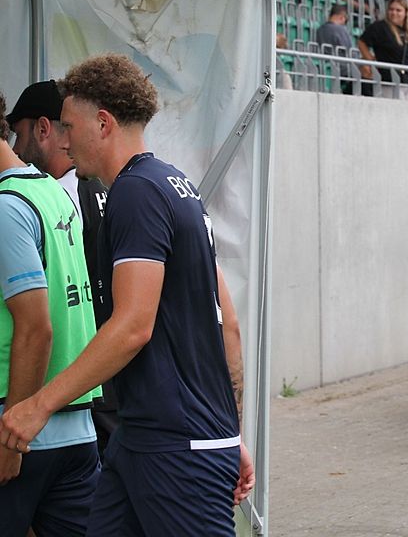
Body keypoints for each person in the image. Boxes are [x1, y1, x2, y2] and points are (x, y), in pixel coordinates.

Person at [0, 54, 256, 534]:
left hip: (175, 448)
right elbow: (228, 320)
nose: (65, 140)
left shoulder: (136, 193)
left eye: (70, 126)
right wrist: (230, 431)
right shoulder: (178, 186)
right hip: (145, 443)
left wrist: (38, 405)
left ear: (103, 123)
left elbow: (132, 327)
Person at [0, 91, 101, 535]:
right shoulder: (51, 192)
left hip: (20, 432)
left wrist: (13, 440)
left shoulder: (7, 207)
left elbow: (36, 329)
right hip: (76, 432)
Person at [7, 80, 115, 455]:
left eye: (18, 135)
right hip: (100, 391)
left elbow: (38, 325)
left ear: (42, 128)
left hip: (80, 389)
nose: (16, 149)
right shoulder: (106, 189)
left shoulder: (43, 198)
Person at [359, 0, 408, 98]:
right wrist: (370, 60)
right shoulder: (380, 27)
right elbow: (361, 42)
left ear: (406, 12)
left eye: (398, 10)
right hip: (388, 79)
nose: (394, 13)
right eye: (391, 9)